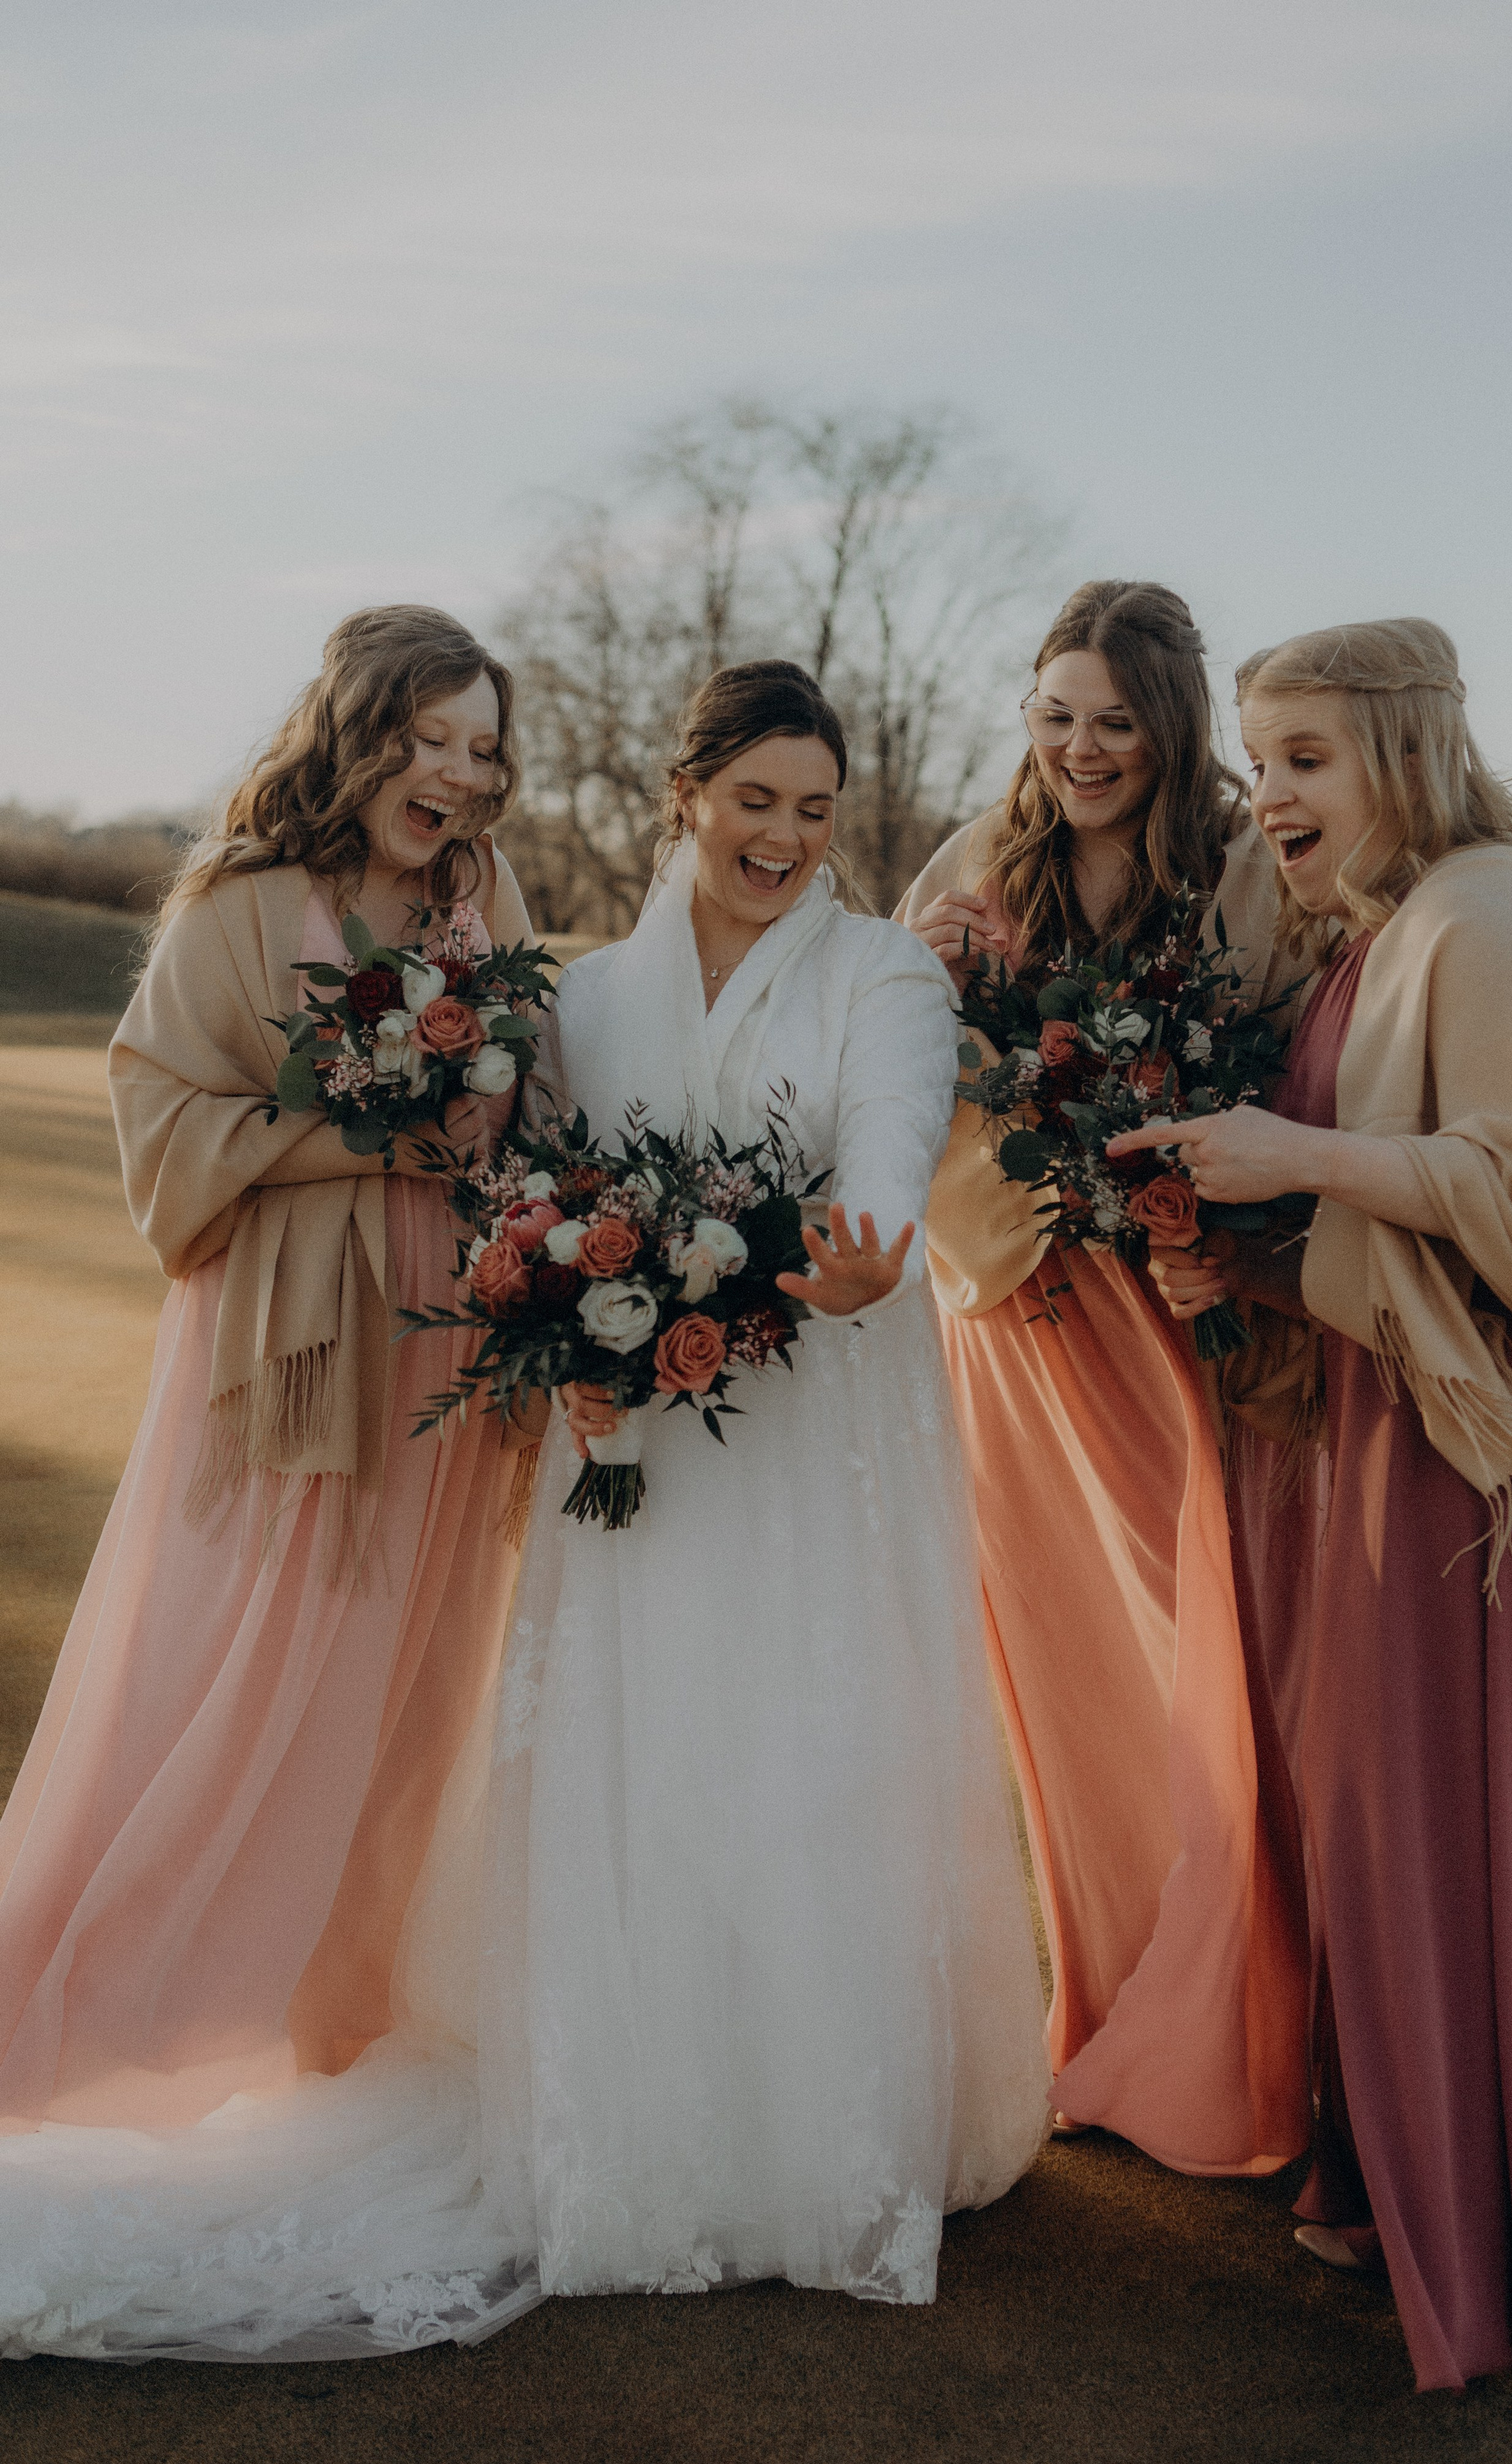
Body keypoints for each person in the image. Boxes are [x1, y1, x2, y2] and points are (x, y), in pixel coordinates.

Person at [0, 658, 1045, 2357]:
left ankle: (814, 2138)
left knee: (808, 1760)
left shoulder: (883, 972)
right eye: (754, 799)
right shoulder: (593, 992)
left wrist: (866, 1248)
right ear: (685, 797)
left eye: (813, 809)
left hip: (818, 1456)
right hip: (626, 1447)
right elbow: (539, 1195)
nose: (784, 835)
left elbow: (885, 1154)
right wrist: (570, 1338)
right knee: (644, 1763)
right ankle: (629, 2125)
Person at [1142, 617, 1512, 2390]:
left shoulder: (1496, 922)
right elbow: (1404, 1219)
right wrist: (1250, 1265)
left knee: (1460, 1824)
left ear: (1407, 753)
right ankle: (1412, 2173)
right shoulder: (1389, 932)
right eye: (1258, 763)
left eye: (1304, 759)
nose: (1269, 796)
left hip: (1504, 1450)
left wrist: (1292, 1157)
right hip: (1404, 1422)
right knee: (1392, 1822)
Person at [0, 608, 542, 2337]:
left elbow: (526, 1095)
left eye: (482, 747)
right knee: (232, 1669)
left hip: (453, 1343)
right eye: (430, 738)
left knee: (411, 1685)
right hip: (294, 1344)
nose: (456, 775)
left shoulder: (485, 898)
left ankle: (340, 2024)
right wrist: (350, 1132)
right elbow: (160, 1107)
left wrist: (496, 1143)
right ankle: (102, 2026)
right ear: (359, 731)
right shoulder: (242, 901)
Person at [897, 581, 1310, 2174]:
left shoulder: (1239, 876)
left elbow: (1289, 1075)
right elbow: (892, 1075)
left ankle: (1226, 2047)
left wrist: (1216, 1229)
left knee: (1193, 1661)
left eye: (1115, 722)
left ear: (1172, 728)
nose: (1079, 750)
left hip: (1157, 1314)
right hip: (1005, 1311)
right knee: (1062, 1677)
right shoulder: (979, 864)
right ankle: (1101, 2025)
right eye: (1055, 715)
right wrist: (924, 992)